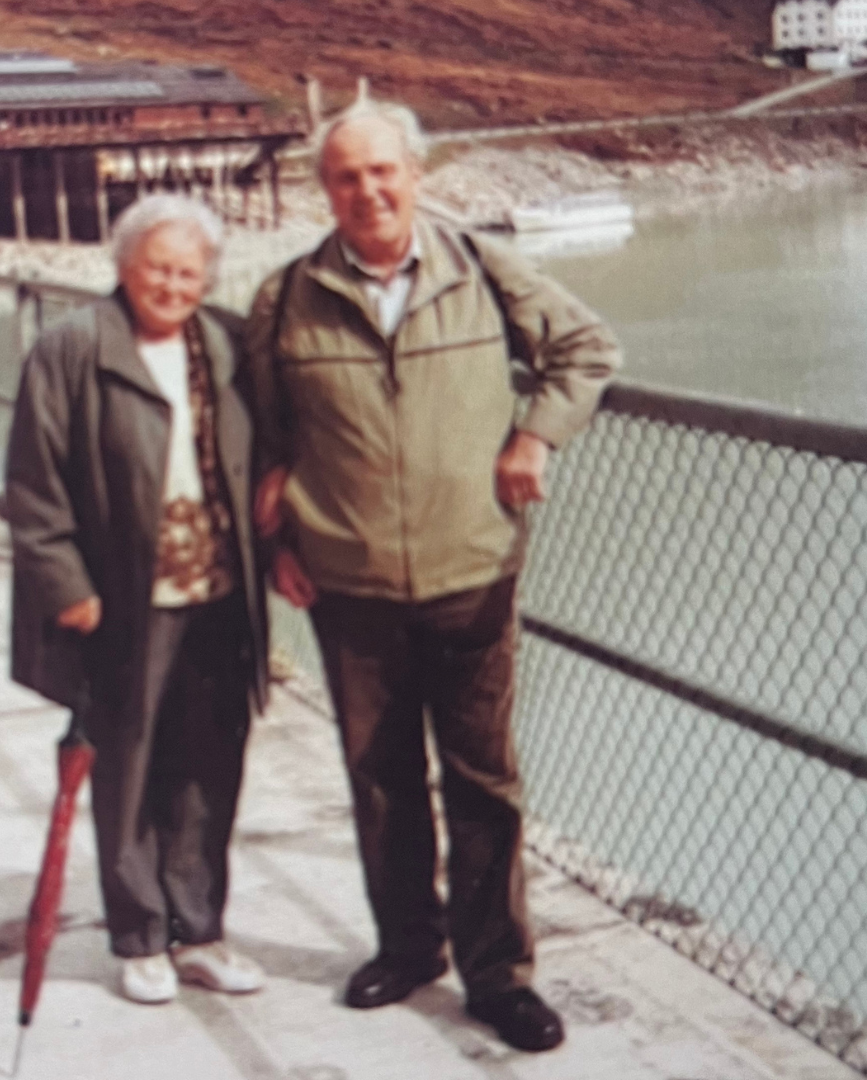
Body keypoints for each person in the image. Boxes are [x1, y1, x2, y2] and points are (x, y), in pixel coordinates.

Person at [244, 100, 621, 1052]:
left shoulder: (484, 270)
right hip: (348, 580)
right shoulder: (285, 296)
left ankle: (498, 974)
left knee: (483, 780)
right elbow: (264, 434)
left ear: (417, 173)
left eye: (383, 171)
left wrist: (537, 432)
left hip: (472, 569)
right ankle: (409, 947)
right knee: (380, 779)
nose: (367, 191)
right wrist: (279, 541)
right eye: (345, 177)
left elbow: (588, 349)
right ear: (321, 189)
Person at [6, 194, 268, 1006]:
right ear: (124, 266)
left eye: (191, 271)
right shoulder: (73, 347)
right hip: (122, 596)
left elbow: (273, 442)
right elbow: (33, 483)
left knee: (209, 764)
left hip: (219, 591)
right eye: (159, 266)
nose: (174, 284)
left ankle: (201, 930)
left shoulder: (225, 340)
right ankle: (140, 934)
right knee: (127, 762)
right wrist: (66, 585)